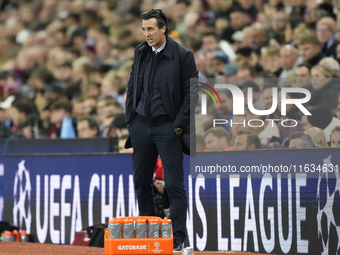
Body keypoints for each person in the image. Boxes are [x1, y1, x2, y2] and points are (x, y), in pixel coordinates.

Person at [124, 9, 198, 251]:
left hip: (168, 126)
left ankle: (177, 240)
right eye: (144, 29)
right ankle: (149, 233)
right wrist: (131, 120)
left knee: (175, 184)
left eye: (151, 29)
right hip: (141, 125)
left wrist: (178, 126)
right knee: (141, 181)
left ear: (163, 28)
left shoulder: (183, 55)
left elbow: (192, 94)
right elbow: (133, 86)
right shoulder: (140, 52)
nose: (147, 34)